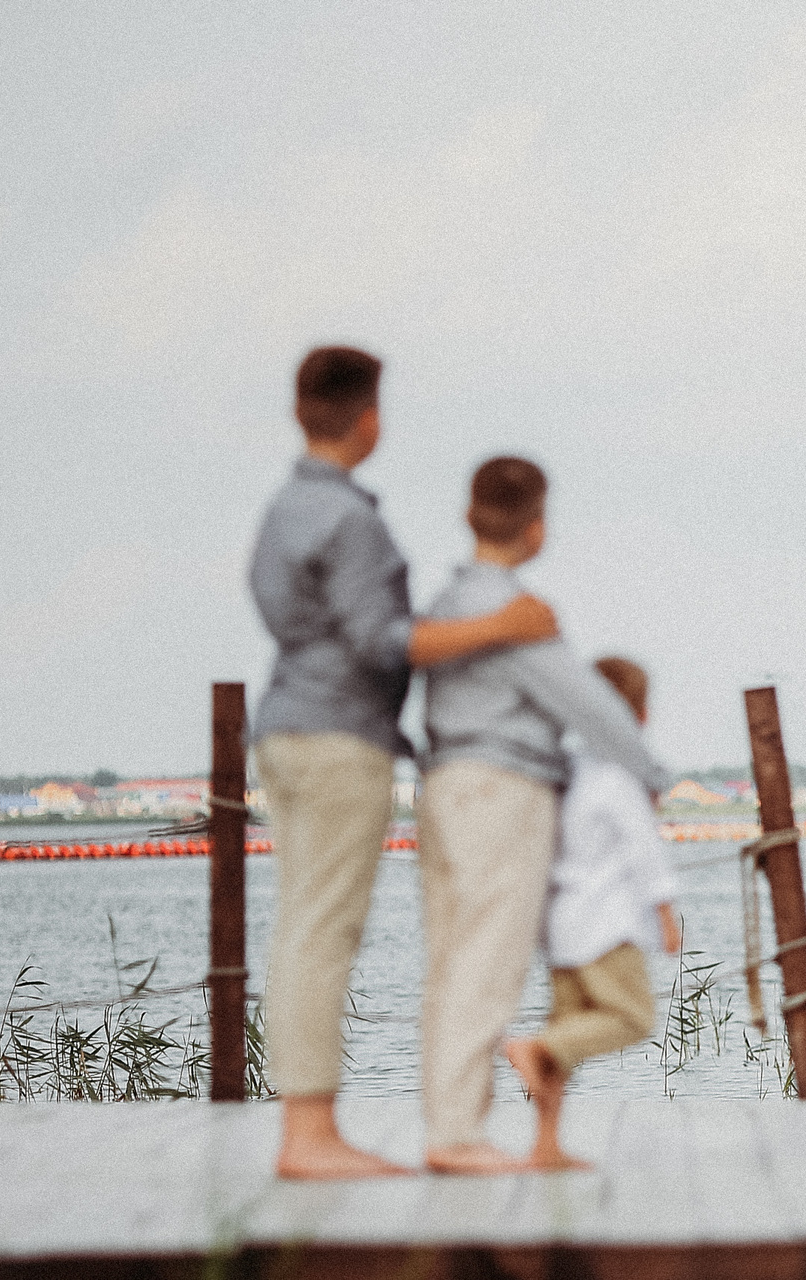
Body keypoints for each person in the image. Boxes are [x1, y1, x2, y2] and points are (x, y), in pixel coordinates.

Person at [249, 346, 560, 1181]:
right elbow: (380, 640)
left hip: (285, 725)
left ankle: (307, 1129)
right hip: (339, 735)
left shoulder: (283, 510)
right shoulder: (351, 521)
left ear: (300, 411)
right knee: (323, 931)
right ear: (370, 419)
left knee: (303, 924)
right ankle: (310, 1136)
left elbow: (285, 613)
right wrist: (500, 627)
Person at [416, 457, 673, 1175]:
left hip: (440, 783)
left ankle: (450, 1125)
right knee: (489, 963)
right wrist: (652, 777)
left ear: (468, 516)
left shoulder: (443, 605)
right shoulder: (519, 616)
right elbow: (591, 706)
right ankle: (457, 1137)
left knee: (450, 959)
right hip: (501, 790)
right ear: (537, 529)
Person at [505, 656, 681, 1171]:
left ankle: (545, 1143)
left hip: (561, 926)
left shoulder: (562, 773)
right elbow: (644, 851)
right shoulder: (617, 778)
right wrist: (666, 915)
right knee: (630, 1017)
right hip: (608, 926)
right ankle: (534, 1047)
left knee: (567, 1033)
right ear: (640, 715)